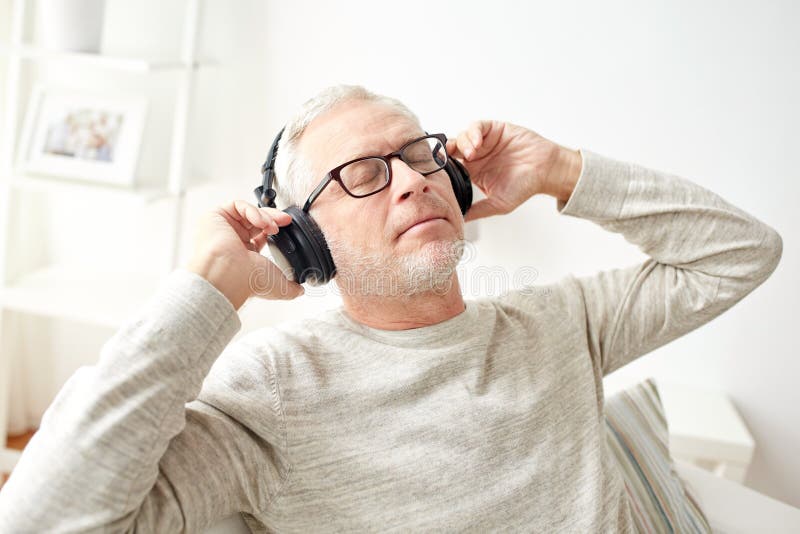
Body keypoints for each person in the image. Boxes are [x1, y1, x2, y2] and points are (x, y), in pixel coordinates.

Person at [0, 84, 782, 532]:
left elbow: (741, 253)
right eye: (364, 175)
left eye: (419, 156)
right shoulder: (272, 391)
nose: (412, 180)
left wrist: (557, 169)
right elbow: (42, 521)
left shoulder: (558, 323)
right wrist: (209, 287)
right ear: (305, 239)